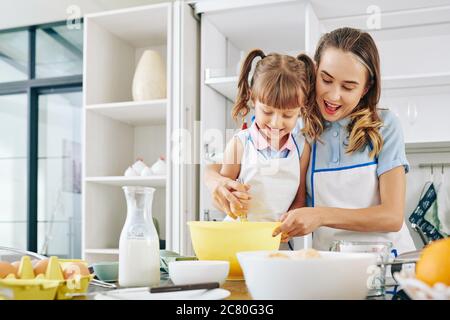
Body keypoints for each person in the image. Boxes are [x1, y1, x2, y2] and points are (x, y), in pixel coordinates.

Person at [205, 28, 415, 254]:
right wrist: (216, 182)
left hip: (387, 261)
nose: (334, 96)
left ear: (365, 88)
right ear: (314, 73)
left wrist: (320, 215)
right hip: (330, 262)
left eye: (348, 86)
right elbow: (226, 163)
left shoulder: (384, 125)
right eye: (326, 79)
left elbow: (392, 216)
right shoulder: (298, 126)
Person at [216, 49, 316, 229]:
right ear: (253, 99)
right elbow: (220, 196)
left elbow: (299, 200)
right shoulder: (240, 144)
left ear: (302, 109)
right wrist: (233, 201)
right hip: (237, 236)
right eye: (267, 112)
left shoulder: (302, 148)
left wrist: (287, 225)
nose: (276, 123)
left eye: (287, 115)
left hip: (277, 241)